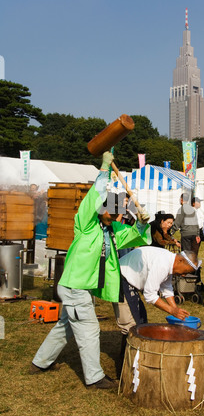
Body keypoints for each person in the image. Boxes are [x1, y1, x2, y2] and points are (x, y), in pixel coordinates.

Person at [30, 152, 152, 389]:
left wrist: (143, 222)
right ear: (101, 209)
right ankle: (94, 378)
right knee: (88, 328)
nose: (116, 216)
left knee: (65, 325)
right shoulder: (87, 223)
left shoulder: (114, 229)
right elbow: (93, 197)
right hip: (75, 285)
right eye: (111, 211)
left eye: (117, 212)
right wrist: (104, 170)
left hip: (83, 287)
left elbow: (136, 236)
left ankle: (40, 362)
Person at [112, 246, 200, 359]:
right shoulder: (163, 263)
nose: (183, 275)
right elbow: (150, 295)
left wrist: (175, 309)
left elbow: (166, 287)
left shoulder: (169, 261)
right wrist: (171, 310)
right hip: (121, 278)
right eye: (185, 271)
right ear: (180, 260)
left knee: (141, 320)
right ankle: (126, 364)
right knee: (131, 325)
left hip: (129, 281)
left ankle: (135, 358)